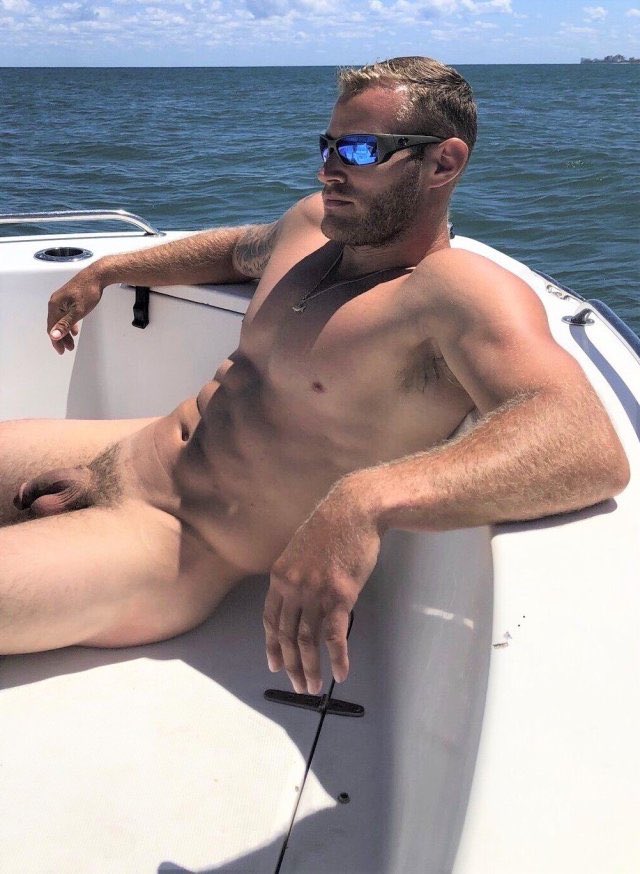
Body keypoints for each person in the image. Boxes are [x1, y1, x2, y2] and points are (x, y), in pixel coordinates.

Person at [0, 57, 629, 695]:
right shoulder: (311, 229)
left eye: (359, 150)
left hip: (173, 540)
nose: (329, 169)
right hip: (125, 449)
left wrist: (365, 501)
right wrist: (109, 269)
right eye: (327, 145)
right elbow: (234, 251)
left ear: (443, 162)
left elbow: (585, 445)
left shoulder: (451, 294)